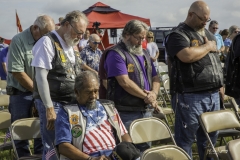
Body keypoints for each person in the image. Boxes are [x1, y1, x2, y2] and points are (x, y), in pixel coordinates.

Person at [165, 1, 223, 160]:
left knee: (210, 139)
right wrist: (208, 47)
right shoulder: (177, 34)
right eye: (202, 19)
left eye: (208, 19)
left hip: (213, 94)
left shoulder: (208, 34)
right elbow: (186, 56)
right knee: (185, 139)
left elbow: (215, 61)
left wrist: (221, 84)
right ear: (190, 14)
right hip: (189, 96)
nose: (206, 22)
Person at [31, 10, 88, 160]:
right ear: (67, 25)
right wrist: (49, 108)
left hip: (71, 104)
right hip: (54, 104)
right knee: (52, 148)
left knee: (70, 146)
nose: (81, 37)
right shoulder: (46, 42)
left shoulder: (71, 43)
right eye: (78, 32)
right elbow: (40, 77)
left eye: (83, 33)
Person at [103, 20, 160, 151]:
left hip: (146, 109)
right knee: (129, 151)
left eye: (143, 38)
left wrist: (154, 94)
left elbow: (155, 77)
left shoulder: (145, 53)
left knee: (146, 148)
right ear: (127, 35)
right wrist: (147, 96)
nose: (141, 42)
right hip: (125, 111)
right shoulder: (116, 53)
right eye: (138, 38)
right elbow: (124, 82)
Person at [55, 71, 139, 160]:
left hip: (115, 155)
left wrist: (130, 153)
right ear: (77, 91)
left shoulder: (109, 107)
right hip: (88, 157)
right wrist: (91, 159)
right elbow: (63, 147)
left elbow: (123, 133)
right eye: (88, 92)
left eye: (96, 91)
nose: (93, 96)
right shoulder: (67, 112)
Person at [6, 15, 55, 158]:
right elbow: (17, 72)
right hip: (21, 94)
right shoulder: (18, 40)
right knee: (21, 134)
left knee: (41, 131)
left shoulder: (47, 41)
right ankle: (23, 157)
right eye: (46, 34)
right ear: (35, 28)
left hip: (40, 93)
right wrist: (39, 91)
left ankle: (40, 156)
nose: (48, 38)